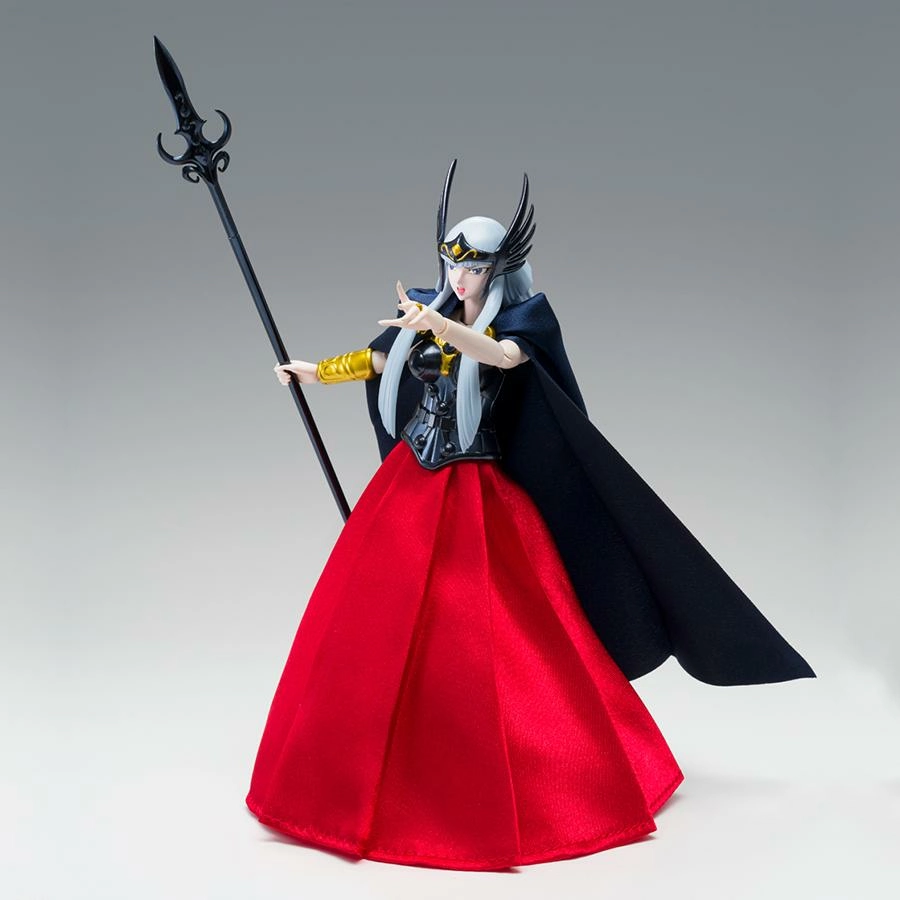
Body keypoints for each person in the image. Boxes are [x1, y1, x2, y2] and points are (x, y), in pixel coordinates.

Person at [245, 161, 814, 871]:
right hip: (412, 483)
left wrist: (439, 326)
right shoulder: (430, 312)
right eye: (454, 265)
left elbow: (503, 358)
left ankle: (530, 773)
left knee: (497, 629)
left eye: (474, 268)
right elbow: (377, 360)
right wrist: (315, 371)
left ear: (500, 270)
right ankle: (372, 767)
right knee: (376, 619)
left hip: (479, 489)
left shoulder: (521, 322)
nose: (460, 280)